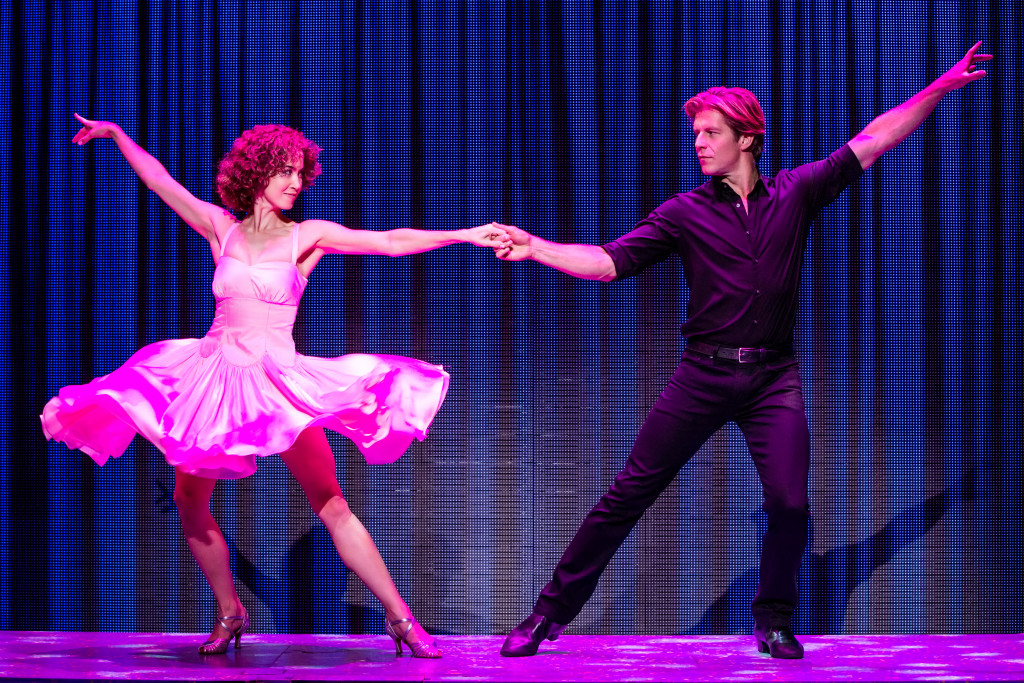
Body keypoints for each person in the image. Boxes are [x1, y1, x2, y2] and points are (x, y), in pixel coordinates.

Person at [496, 43, 991, 659]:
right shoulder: (683, 213)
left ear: (746, 138)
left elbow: (875, 138)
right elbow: (608, 263)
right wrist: (535, 246)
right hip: (701, 376)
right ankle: (548, 614)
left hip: (771, 380)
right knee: (628, 494)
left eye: (711, 132)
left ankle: (774, 619)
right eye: (697, 133)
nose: (699, 143)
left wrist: (940, 86)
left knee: (789, 502)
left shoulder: (796, 194)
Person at [41, 116, 511, 658]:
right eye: (284, 171)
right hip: (213, 382)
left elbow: (386, 242)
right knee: (189, 498)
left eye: (299, 173)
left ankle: (402, 619)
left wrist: (464, 234)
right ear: (257, 172)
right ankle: (230, 612)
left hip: (279, 386)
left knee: (331, 502)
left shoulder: (306, 236)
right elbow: (160, 182)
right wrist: (119, 136)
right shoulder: (222, 228)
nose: (295, 182)